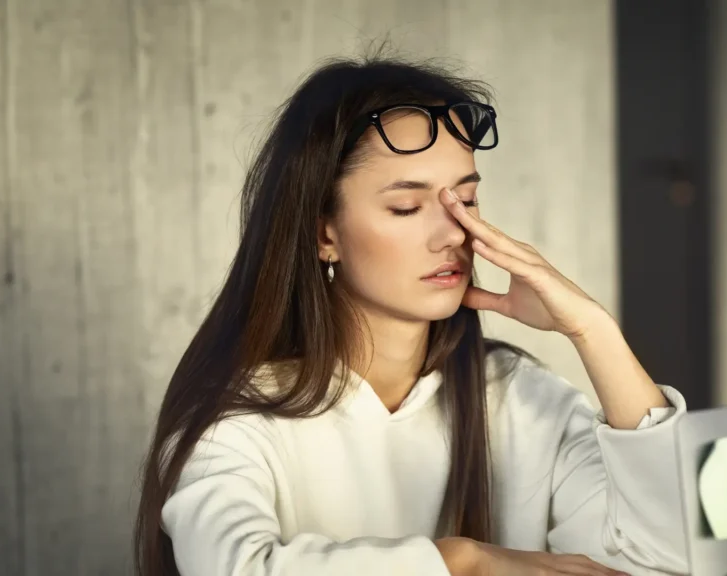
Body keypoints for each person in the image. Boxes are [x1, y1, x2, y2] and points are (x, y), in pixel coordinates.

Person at [133, 54, 689, 576]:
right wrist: (462, 561)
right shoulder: (235, 419)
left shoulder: (521, 399)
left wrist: (592, 331)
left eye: (465, 201)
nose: (453, 234)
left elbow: (663, 557)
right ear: (324, 233)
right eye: (407, 206)